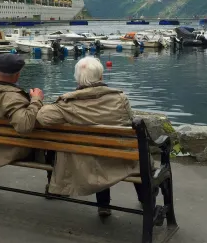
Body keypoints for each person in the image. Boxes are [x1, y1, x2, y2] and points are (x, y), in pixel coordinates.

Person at [36, 56, 136, 217]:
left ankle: (101, 204)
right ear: (101, 76)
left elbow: (43, 118)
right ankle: (141, 200)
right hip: (120, 160)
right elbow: (130, 122)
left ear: (77, 79)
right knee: (120, 152)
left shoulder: (68, 105)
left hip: (82, 163)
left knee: (93, 153)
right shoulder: (121, 99)